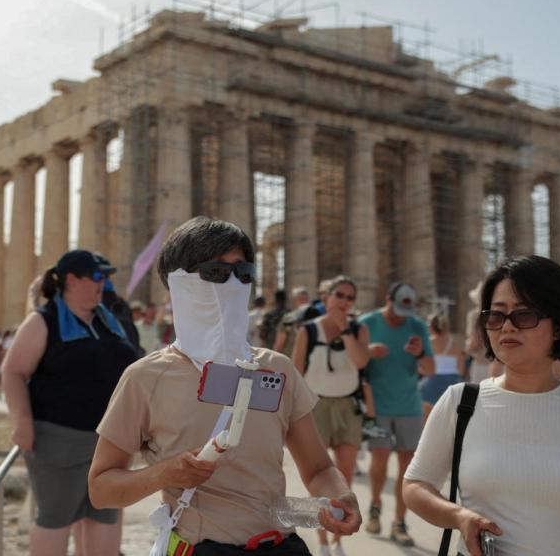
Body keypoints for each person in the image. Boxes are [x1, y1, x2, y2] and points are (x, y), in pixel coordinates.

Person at [88, 217, 361, 556]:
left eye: (243, 273)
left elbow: (319, 468)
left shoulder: (277, 369)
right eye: (216, 272)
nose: (232, 284)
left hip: (279, 546)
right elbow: (100, 488)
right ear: (179, 283)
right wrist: (163, 474)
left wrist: (341, 497)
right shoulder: (146, 377)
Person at [403, 255, 560, 556]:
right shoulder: (460, 402)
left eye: (524, 315)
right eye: (496, 316)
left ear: (559, 326)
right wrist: (458, 516)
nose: (507, 327)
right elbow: (415, 486)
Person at [2, 250, 138, 556]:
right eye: (97, 276)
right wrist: (21, 422)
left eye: (106, 277)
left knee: (104, 516)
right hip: (60, 439)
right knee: (56, 519)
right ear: (72, 280)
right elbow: (13, 372)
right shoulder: (44, 321)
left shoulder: (106, 320)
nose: (103, 283)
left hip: (109, 442)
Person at [292, 275, 372, 556]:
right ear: (326, 297)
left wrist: (345, 329)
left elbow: (360, 362)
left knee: (344, 477)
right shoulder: (308, 330)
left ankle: (337, 539)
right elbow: (296, 372)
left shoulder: (359, 330)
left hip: (348, 407)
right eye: (339, 295)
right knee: (319, 476)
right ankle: (323, 541)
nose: (344, 302)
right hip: (316, 406)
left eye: (350, 298)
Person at [357, 281, 435, 546]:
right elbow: (353, 360)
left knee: (407, 465)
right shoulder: (367, 323)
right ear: (388, 299)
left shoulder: (417, 326)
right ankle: (375, 505)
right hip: (377, 406)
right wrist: (368, 352)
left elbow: (431, 369)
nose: (401, 318)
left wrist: (420, 353)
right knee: (379, 458)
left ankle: (399, 522)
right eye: (397, 310)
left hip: (409, 406)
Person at [419, 312, 465, 422]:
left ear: (431, 326)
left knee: (428, 418)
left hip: (431, 383)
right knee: (449, 419)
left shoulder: (428, 342)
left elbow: (420, 368)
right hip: (452, 382)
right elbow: (461, 369)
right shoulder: (455, 343)